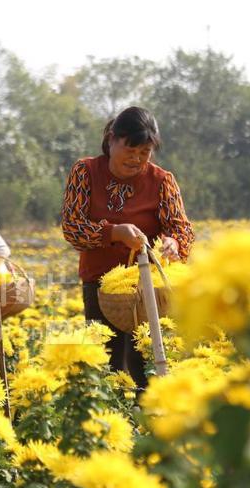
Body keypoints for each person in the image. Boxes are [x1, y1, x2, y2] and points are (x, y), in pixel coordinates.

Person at [61, 106, 195, 388]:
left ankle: (149, 425)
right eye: (130, 151)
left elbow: (181, 228)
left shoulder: (162, 181)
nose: (136, 160)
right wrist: (114, 232)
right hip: (100, 285)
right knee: (104, 367)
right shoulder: (84, 172)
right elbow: (72, 228)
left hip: (148, 286)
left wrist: (173, 243)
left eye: (144, 153)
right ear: (112, 139)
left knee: (146, 364)